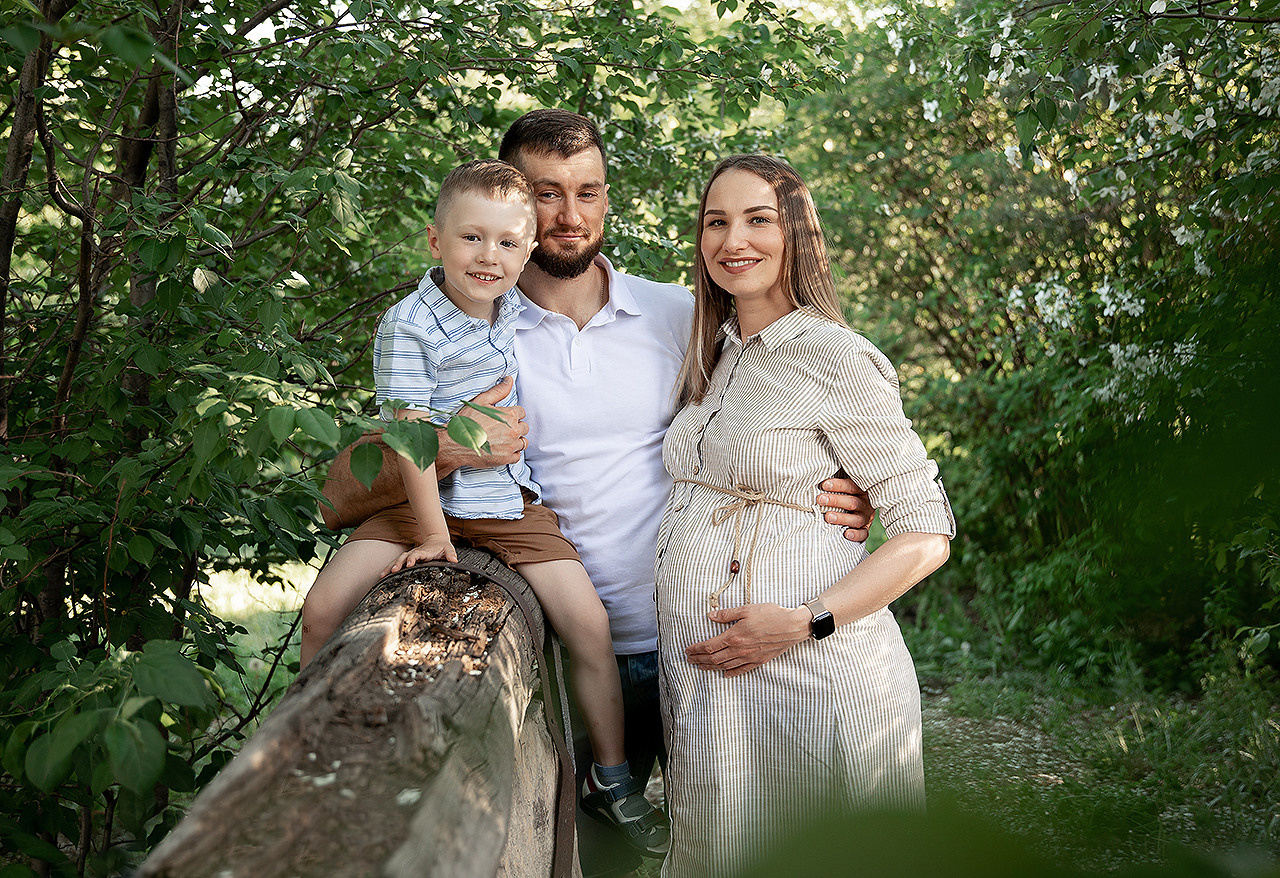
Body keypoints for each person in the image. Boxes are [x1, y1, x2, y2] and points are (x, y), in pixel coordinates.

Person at [314, 110, 875, 878]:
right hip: (553, 649)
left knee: (748, 844)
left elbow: (775, 419)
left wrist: (846, 486)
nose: (571, 216)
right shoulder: (472, 328)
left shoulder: (682, 317)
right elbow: (344, 488)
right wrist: (444, 450)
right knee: (584, 856)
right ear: (511, 197)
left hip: (698, 643)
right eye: (548, 194)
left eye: (590, 192)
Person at [300, 158, 668, 856]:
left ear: (527, 252)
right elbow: (408, 442)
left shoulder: (513, 310)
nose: (488, 257)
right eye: (471, 239)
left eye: (506, 243)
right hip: (419, 505)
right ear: (435, 242)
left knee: (589, 625)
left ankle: (613, 780)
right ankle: (314, 749)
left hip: (507, 502)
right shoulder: (407, 325)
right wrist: (435, 535)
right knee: (324, 610)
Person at [655, 154, 956, 877]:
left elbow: (925, 533)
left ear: (797, 233)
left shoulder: (835, 355)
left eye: (759, 220)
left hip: (811, 676)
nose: (735, 241)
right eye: (716, 222)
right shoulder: (715, 352)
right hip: (717, 687)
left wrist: (804, 620)